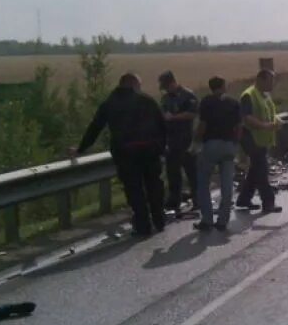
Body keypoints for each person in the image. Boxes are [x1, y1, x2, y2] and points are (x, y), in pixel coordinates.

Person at [72, 73, 166, 237]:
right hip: (150, 152)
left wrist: (81, 149)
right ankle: (159, 220)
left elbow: (95, 128)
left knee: (134, 190)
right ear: (134, 84)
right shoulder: (147, 100)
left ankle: (143, 227)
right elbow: (162, 126)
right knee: (154, 186)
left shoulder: (110, 104)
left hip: (125, 154)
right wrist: (162, 147)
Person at [194, 76, 243, 232]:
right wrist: (236, 144)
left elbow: (202, 125)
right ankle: (223, 220)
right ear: (223, 86)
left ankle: (207, 220)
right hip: (229, 145)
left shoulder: (206, 102)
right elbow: (239, 126)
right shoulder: (233, 103)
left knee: (203, 183)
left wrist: (196, 142)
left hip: (211, 145)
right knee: (227, 185)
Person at [236, 69, 283, 214]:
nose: (272, 84)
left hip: (262, 138)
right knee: (261, 169)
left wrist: (276, 121)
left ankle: (243, 199)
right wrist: (264, 126)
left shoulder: (265, 96)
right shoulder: (248, 95)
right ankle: (268, 202)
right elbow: (247, 117)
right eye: (270, 81)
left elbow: (269, 113)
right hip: (250, 137)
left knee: (255, 169)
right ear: (260, 80)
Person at [158, 71, 199, 213]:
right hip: (171, 140)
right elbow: (162, 114)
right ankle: (174, 200)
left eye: (166, 86)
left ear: (172, 83)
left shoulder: (188, 95)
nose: (165, 89)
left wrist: (174, 117)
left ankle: (198, 199)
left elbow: (192, 113)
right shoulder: (165, 99)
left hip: (185, 138)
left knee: (191, 171)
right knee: (172, 172)